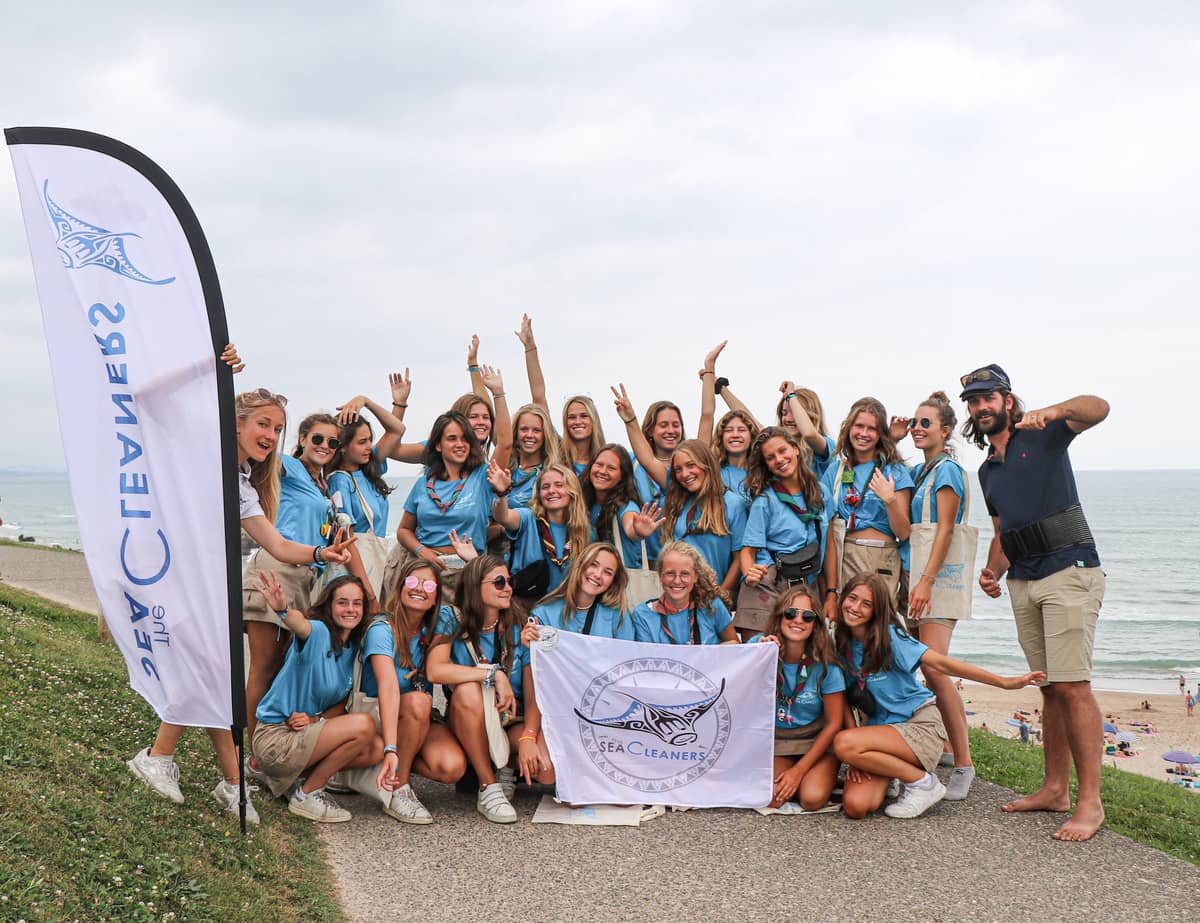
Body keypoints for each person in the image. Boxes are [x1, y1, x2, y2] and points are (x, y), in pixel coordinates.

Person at [962, 363, 1109, 841]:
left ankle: (1090, 803)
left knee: (1073, 688)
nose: (981, 407)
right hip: (1022, 581)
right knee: (1049, 688)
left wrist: (1056, 410)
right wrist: (992, 570)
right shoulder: (987, 471)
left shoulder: (1044, 435)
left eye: (989, 398)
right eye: (974, 401)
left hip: (1069, 570)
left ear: (1008, 401)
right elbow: (1005, 530)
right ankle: (1053, 790)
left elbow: (1099, 408)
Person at [833, 573, 1044, 820]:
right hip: (881, 733)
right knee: (856, 806)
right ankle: (897, 774)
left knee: (844, 743)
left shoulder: (891, 638)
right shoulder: (840, 643)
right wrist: (858, 759)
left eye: (866, 604)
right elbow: (844, 700)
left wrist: (1003, 682)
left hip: (919, 725)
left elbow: (941, 664)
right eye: (852, 598)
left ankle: (923, 784)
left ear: (877, 610)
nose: (855, 608)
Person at [891, 391, 975, 801]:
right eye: (915, 423)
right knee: (923, 669)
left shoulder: (946, 471)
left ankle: (964, 763)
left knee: (938, 672)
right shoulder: (922, 470)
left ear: (945, 430)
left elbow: (944, 531)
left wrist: (924, 581)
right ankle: (942, 747)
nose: (919, 429)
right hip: (916, 578)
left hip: (934, 582)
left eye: (927, 424)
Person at [252, 571, 381, 822]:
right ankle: (307, 795)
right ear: (329, 606)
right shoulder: (320, 633)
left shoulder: (352, 648)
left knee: (375, 749)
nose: (350, 609)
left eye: (357, 603)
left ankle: (295, 781)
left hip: (302, 731)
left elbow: (338, 706)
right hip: (276, 736)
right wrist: (283, 610)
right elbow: (301, 624)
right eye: (342, 602)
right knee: (364, 725)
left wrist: (314, 720)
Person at [516, 541, 635, 788]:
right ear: (580, 566)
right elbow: (534, 678)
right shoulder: (545, 613)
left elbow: (627, 673)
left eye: (607, 572)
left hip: (600, 713)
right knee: (547, 772)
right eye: (594, 565)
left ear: (613, 581)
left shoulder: (617, 616)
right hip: (556, 711)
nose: (597, 575)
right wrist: (529, 733)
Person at [614, 383, 746, 593]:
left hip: (716, 595)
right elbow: (647, 458)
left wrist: (722, 593)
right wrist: (630, 420)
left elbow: (740, 558)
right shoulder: (678, 495)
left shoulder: (733, 503)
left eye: (691, 466)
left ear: (706, 464)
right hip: (676, 594)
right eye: (678, 470)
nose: (685, 474)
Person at [425, 555, 527, 824]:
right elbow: (435, 670)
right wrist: (493, 674)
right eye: (499, 582)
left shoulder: (516, 623)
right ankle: (488, 785)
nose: (507, 588)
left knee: (544, 762)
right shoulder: (451, 617)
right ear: (474, 586)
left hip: (508, 720)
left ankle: (507, 768)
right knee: (469, 689)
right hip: (470, 721)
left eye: (509, 581)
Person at [365, 558, 468, 824]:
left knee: (452, 767)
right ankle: (398, 785)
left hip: (415, 717)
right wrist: (389, 746)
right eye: (411, 581)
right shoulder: (381, 629)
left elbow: (476, 599)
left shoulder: (440, 621)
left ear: (436, 597)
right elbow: (388, 688)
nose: (419, 588)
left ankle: (383, 764)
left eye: (428, 584)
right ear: (399, 587)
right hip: (377, 716)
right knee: (420, 702)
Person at [393, 375, 513, 598]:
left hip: (466, 571)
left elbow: (505, 442)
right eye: (452, 439)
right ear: (437, 445)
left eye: (465, 439)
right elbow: (404, 530)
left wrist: (498, 393)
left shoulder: (482, 477)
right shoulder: (423, 483)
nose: (460, 444)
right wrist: (422, 551)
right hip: (425, 571)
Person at [749, 586, 844, 810]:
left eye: (807, 616)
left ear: (815, 624)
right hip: (779, 741)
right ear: (779, 616)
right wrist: (759, 657)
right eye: (791, 613)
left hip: (816, 741)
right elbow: (735, 679)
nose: (798, 620)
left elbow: (834, 725)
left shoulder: (826, 666)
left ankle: (818, 773)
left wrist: (798, 771)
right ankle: (804, 776)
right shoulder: (759, 646)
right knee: (771, 798)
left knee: (811, 799)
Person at [737, 427, 836, 634]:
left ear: (796, 449)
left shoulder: (821, 492)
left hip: (806, 586)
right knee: (761, 658)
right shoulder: (764, 501)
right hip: (768, 584)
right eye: (770, 458)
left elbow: (830, 545)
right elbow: (748, 551)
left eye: (783, 451)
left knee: (802, 659)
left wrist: (832, 593)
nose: (779, 459)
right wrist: (750, 574)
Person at [821, 397, 913, 606]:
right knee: (845, 626)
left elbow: (904, 532)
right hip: (846, 555)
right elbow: (826, 531)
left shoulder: (894, 470)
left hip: (882, 556)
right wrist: (830, 590)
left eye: (871, 428)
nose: (863, 434)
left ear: (880, 434)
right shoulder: (836, 471)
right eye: (859, 426)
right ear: (848, 428)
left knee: (877, 627)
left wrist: (889, 500)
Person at [328, 377, 409, 601]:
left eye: (370, 440)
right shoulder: (340, 481)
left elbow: (396, 430)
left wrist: (366, 401)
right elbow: (347, 536)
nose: (369, 447)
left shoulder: (367, 470)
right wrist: (368, 594)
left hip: (375, 564)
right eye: (362, 442)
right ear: (343, 447)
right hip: (357, 572)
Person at [513, 314, 607, 476]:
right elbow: (539, 397)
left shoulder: (604, 459)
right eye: (571, 417)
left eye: (584, 416)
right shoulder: (558, 452)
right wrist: (530, 346)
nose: (578, 421)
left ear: (594, 420)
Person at [489, 462, 592, 604]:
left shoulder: (586, 531)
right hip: (526, 608)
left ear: (572, 490)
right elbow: (503, 516)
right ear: (539, 494)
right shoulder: (528, 518)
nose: (551, 491)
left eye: (559, 485)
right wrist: (501, 494)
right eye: (545, 487)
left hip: (565, 609)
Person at [580, 443, 663, 577]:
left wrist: (637, 531)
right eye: (599, 464)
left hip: (621, 586)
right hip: (591, 581)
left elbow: (630, 525)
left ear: (622, 476)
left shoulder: (626, 505)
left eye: (611, 468)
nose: (602, 471)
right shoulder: (581, 502)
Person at [631, 542, 739, 644]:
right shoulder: (643, 615)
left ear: (695, 577)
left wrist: (709, 654)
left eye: (685, 574)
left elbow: (734, 644)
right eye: (670, 573)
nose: (677, 581)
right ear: (660, 575)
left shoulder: (711, 606)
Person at [506, 403, 563, 510]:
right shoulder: (506, 470)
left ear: (545, 435)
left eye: (536, 430)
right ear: (516, 433)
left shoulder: (551, 473)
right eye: (524, 429)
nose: (529, 435)